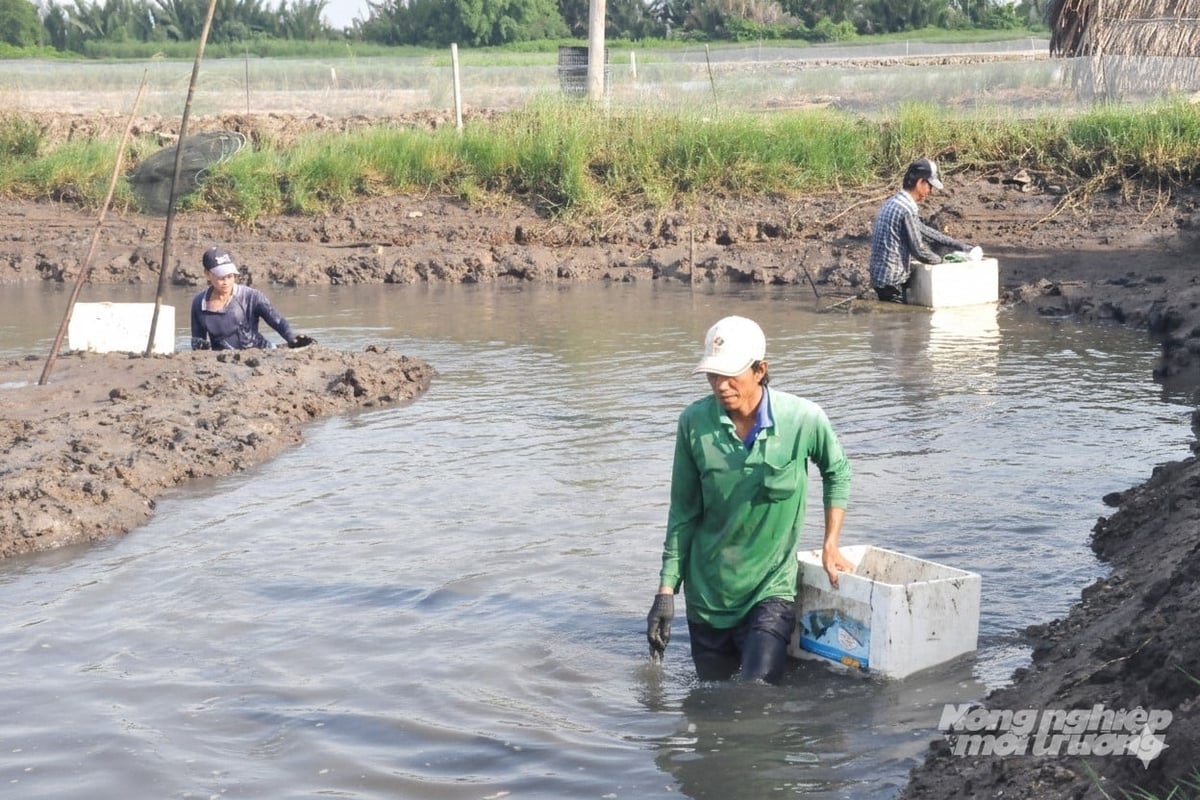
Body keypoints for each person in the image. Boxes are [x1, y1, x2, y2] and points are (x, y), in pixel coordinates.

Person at [645, 315, 853, 684]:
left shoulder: (802, 419)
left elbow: (837, 470)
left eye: (730, 375)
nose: (721, 386)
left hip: (770, 588)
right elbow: (683, 512)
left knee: (757, 692)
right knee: (713, 704)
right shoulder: (694, 424)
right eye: (713, 376)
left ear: (760, 370)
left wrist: (830, 542)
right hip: (708, 595)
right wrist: (666, 591)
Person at [869, 158, 976, 304]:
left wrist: (959, 245)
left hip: (880, 277)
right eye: (930, 186)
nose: (930, 191)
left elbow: (924, 230)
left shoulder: (895, 201)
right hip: (892, 281)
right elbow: (918, 249)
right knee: (897, 323)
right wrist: (942, 262)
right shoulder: (907, 208)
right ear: (920, 183)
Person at [190, 246, 314, 351]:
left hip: (259, 351)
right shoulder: (199, 303)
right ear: (207, 274)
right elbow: (198, 342)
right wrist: (199, 344)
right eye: (221, 277)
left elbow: (277, 320)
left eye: (230, 276)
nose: (226, 282)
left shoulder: (251, 296)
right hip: (224, 360)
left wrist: (291, 337)